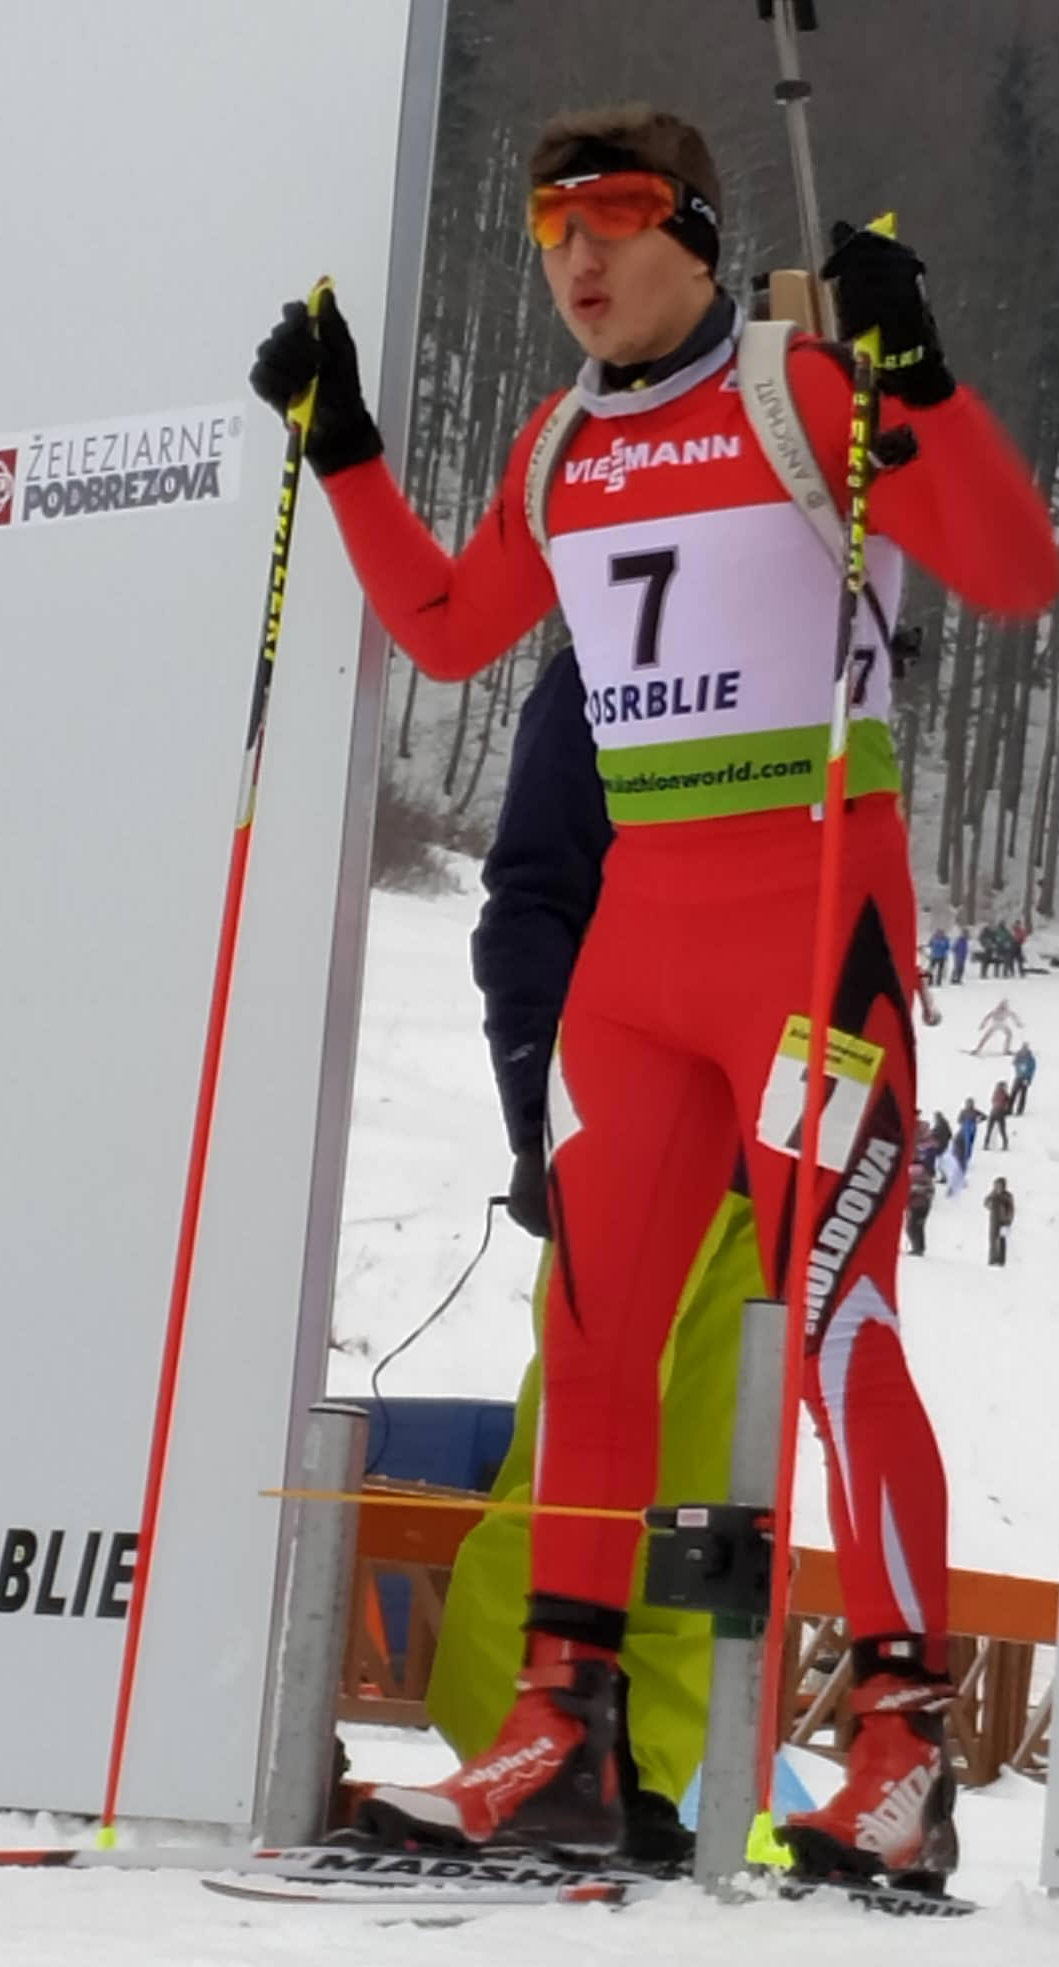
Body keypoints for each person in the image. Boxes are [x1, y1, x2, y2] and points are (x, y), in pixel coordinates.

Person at [252, 100, 1059, 1883]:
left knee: (835, 1322)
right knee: (597, 1330)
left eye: (612, 215)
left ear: (692, 228)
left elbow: (1016, 570)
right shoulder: (558, 442)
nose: (577, 257)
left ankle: (903, 1754)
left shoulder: (801, 390)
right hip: (640, 948)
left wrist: (920, 380)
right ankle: (567, 1727)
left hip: (810, 917)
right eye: (549, 228)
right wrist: (348, 449)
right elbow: (449, 627)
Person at [424, 645, 759, 1864]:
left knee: (708, 1503)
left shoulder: (812, 659)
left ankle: (634, 1775)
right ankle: (510, 1752)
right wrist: (543, 1116)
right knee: (577, 1472)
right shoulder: (612, 657)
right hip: (631, 1134)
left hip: (763, 1151)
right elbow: (534, 893)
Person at [904, 1160, 934, 1256]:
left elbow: (929, 1190)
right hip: (916, 1206)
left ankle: (918, 1248)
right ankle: (918, 1247)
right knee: (914, 1227)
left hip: (919, 1206)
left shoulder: (922, 1177)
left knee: (913, 1227)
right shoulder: (920, 1176)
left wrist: (915, 1190)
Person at [984, 1178, 1015, 1266]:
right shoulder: (993, 1195)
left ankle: (1001, 1260)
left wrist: (1008, 1220)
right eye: (996, 1185)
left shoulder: (1007, 1196)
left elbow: (1011, 1209)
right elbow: (986, 1203)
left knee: (1001, 1240)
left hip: (1003, 1221)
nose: (998, 1187)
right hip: (994, 1220)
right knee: (992, 1240)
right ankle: (992, 1259)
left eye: (1000, 1185)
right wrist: (990, 1202)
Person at [1008, 1042, 1036, 1117]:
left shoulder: (1030, 1058)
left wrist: (1029, 1079)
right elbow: (1013, 1063)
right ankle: (1009, 1109)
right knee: (1013, 1093)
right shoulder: (1019, 1055)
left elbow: (1032, 1069)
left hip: (1025, 1078)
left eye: (1025, 1048)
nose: (1024, 1050)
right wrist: (1016, 1061)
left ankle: (1019, 1111)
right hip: (1018, 1077)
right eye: (1023, 1048)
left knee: (1022, 1095)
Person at [984, 1080, 1011, 1151]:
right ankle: (1005, 1145)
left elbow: (993, 1101)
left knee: (989, 1130)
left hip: (994, 1112)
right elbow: (1008, 1103)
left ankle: (986, 1144)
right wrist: (1006, 1111)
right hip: (999, 1113)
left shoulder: (995, 1093)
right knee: (1002, 1130)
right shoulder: (1005, 1094)